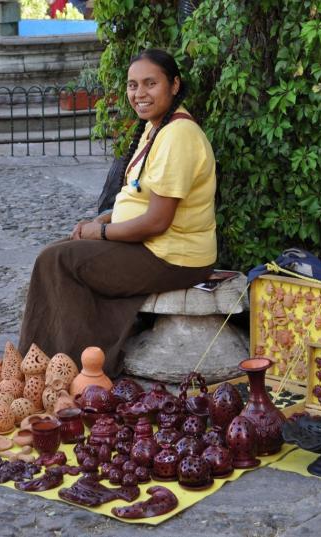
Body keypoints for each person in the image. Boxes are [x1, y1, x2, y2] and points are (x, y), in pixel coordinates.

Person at [19, 49, 217, 376]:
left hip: (174, 257)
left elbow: (157, 221)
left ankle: (72, 370)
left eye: (150, 83)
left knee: (59, 262)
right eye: (132, 85)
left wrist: (101, 233)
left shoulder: (179, 134)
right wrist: (104, 219)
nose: (139, 94)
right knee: (57, 252)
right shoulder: (156, 128)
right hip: (150, 247)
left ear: (175, 85)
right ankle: (49, 364)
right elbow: (140, 194)